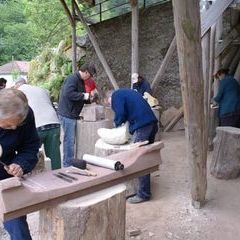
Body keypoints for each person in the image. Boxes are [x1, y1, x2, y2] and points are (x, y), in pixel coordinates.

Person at [0, 88, 40, 240]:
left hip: (6, 176)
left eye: (18, 124)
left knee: (18, 227)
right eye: (8, 126)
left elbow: (30, 146)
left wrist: (21, 164)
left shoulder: (25, 114)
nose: (14, 129)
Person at [107, 88, 158, 204]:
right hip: (151, 123)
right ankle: (144, 190)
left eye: (109, 103)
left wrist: (116, 124)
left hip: (143, 126)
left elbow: (120, 113)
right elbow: (127, 112)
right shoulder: (126, 93)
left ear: (109, 98)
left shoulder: (115, 95)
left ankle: (143, 194)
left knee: (139, 160)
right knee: (145, 159)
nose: (111, 105)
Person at [15, 78, 61, 170]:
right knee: (54, 155)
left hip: (37, 125)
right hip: (54, 122)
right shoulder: (41, 89)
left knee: (30, 152)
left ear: (17, 85)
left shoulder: (18, 92)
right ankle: (57, 177)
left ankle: (34, 177)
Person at [58, 63, 96, 167]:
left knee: (70, 140)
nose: (89, 78)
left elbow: (79, 97)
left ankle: (69, 162)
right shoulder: (72, 79)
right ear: (86, 72)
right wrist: (85, 95)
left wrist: (89, 99)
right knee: (69, 141)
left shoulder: (80, 81)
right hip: (67, 114)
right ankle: (67, 164)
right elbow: (68, 94)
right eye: (90, 75)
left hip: (71, 113)